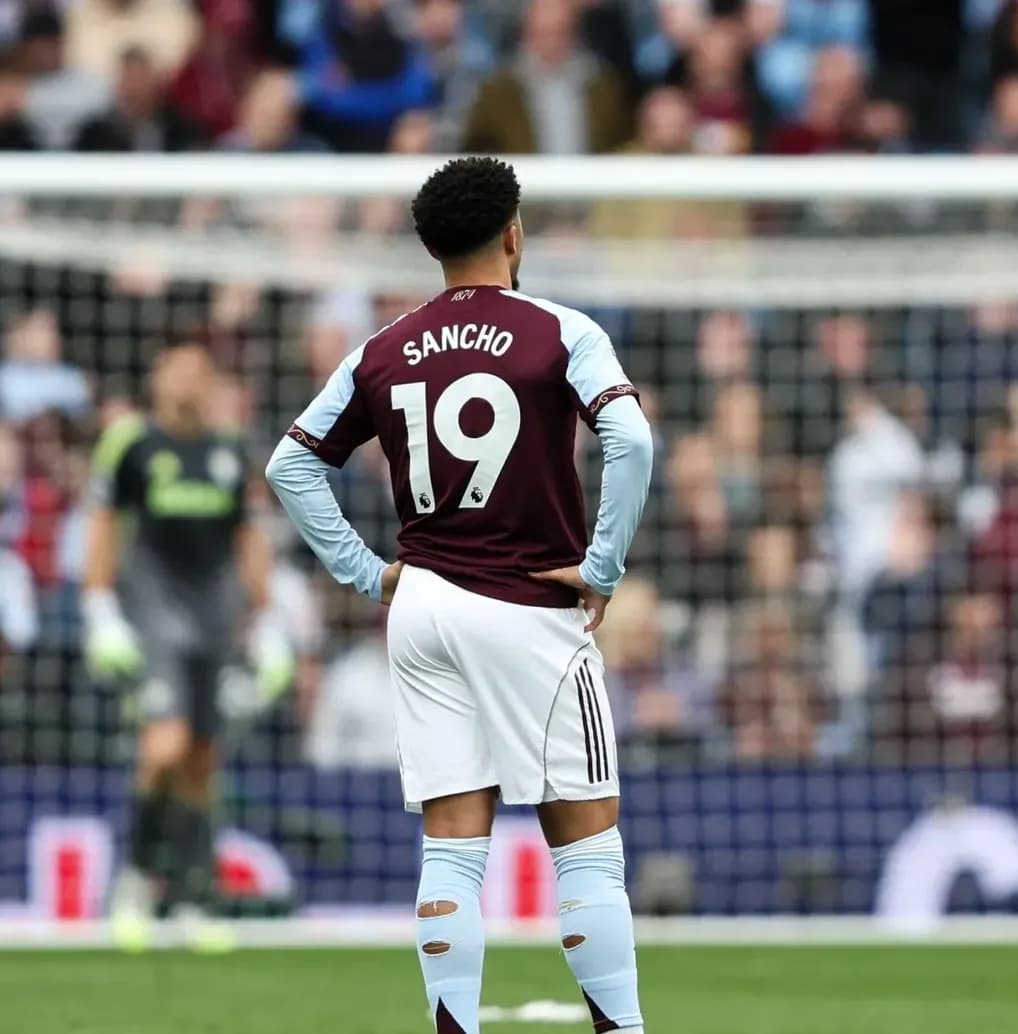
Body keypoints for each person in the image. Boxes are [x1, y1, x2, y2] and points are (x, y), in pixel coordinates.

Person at [265, 157, 654, 1034]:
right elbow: (631, 441)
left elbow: (289, 463)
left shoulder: (383, 346)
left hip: (425, 606)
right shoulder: (562, 332)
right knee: (588, 852)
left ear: (432, 248)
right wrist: (603, 566)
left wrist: (365, 573)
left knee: (453, 845)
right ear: (514, 235)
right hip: (528, 607)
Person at [81, 344, 289, 950]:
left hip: (214, 620)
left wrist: (268, 618)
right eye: (176, 369)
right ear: (156, 377)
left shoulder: (230, 451)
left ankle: (196, 896)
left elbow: (249, 540)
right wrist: (98, 607)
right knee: (163, 746)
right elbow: (103, 525)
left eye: (200, 372)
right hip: (152, 615)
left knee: (201, 760)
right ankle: (138, 880)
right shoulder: (130, 443)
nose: (187, 382)